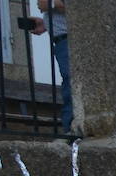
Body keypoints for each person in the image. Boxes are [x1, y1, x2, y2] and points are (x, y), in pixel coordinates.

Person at [28, 0, 71, 131]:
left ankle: (71, 129)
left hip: (67, 40)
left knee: (71, 82)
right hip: (62, 40)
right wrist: (46, 24)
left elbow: (80, 10)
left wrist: (52, 3)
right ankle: (71, 128)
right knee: (70, 82)